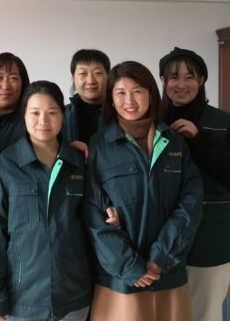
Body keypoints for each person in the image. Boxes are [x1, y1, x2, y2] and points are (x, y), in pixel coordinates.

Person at [82, 61, 203, 321]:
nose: (129, 101)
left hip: (168, 272)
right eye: (120, 93)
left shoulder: (173, 142)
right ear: (111, 99)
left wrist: (161, 257)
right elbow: (92, 214)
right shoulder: (99, 146)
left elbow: (190, 203)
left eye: (137, 91)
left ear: (151, 94)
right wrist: (130, 266)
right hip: (120, 280)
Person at [0, 81, 92, 321]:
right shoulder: (5, 166)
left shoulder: (79, 163)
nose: (44, 121)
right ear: (24, 115)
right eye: (35, 113)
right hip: (21, 300)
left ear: (63, 116)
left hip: (74, 296)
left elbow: (92, 224)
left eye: (52, 112)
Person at [159, 47, 230, 321]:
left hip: (210, 234)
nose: (181, 84)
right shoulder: (152, 121)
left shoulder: (222, 123)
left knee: (204, 312)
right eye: (173, 77)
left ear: (201, 81)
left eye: (189, 77)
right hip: (162, 235)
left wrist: (200, 139)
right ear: (163, 81)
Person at [62, 49, 110, 145]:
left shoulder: (120, 113)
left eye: (98, 73)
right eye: (83, 73)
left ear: (108, 76)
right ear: (73, 78)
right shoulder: (61, 115)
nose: (91, 81)